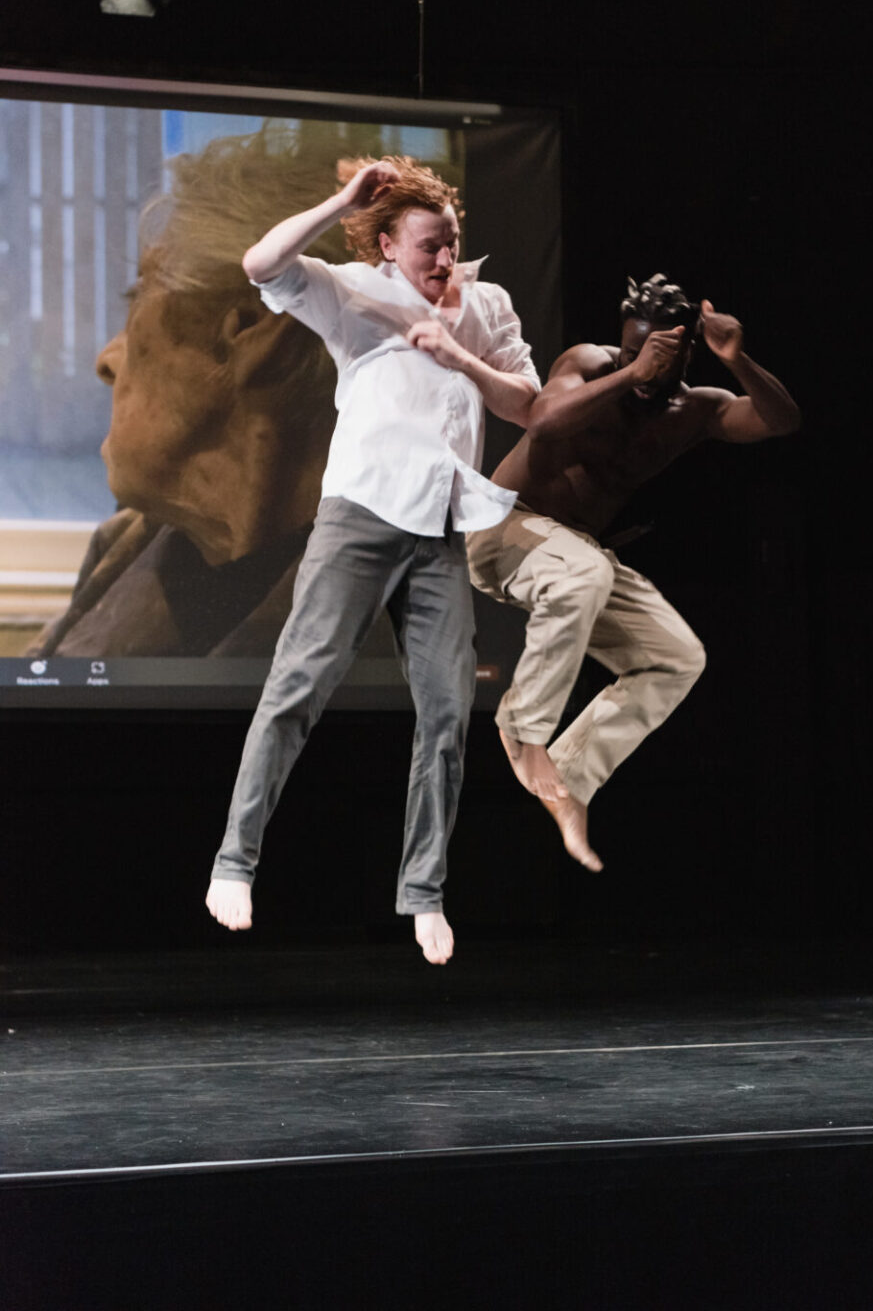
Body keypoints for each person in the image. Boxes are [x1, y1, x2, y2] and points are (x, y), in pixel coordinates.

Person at [205, 156, 540, 965]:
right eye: (428, 245)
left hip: (439, 528)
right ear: (389, 244)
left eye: (451, 243)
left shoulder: (486, 305)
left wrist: (460, 356)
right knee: (298, 687)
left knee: (448, 712)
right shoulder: (354, 292)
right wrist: (342, 202)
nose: (443, 260)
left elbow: (529, 406)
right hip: (360, 512)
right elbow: (261, 265)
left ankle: (423, 892)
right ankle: (234, 864)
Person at [466, 272, 800, 873]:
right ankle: (521, 729)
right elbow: (541, 421)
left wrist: (739, 358)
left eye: (659, 353)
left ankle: (567, 778)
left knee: (676, 657)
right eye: (632, 348)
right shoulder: (591, 365)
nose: (643, 361)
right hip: (503, 526)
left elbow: (780, 420)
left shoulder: (696, 410)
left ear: (686, 352)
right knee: (584, 572)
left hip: (575, 554)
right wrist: (630, 371)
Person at [27, 128, 346, 659]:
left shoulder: (387, 622)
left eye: (139, 295)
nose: (106, 360)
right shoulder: (128, 544)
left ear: (253, 333)